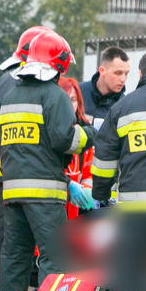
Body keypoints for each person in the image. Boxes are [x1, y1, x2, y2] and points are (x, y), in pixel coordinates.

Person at [0, 30, 95, 291]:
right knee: (55, 256)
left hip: (12, 194)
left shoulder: (9, 96)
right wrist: (90, 134)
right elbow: (67, 139)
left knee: (13, 259)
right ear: (59, 64)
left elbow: (0, 146)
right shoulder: (53, 96)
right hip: (45, 194)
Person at [0, 26, 51, 291]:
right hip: (3, 171)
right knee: (9, 232)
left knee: (1, 229)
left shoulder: (11, 79)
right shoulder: (14, 82)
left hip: (2, 170)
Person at [91, 51, 146, 204]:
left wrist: (101, 194)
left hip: (133, 203)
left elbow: (105, 158)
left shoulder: (121, 108)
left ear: (140, 74)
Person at [58, 76, 95, 218]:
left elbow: (87, 175)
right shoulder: (50, 132)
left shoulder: (84, 134)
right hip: (50, 207)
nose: (70, 105)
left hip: (75, 210)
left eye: (73, 100)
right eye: (66, 100)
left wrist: (87, 194)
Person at [79, 46, 129, 126]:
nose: (123, 79)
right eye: (118, 73)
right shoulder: (77, 93)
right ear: (102, 71)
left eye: (126, 74)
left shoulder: (125, 106)